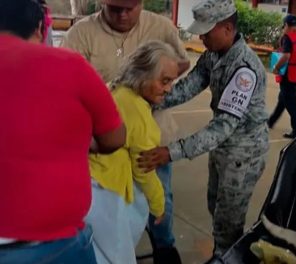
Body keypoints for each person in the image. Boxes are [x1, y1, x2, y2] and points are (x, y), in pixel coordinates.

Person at [138, 0, 269, 259]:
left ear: (228, 29)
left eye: (207, 32)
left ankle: (226, 256)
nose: (201, 37)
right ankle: (222, 252)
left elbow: (223, 126)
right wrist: (150, 98)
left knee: (229, 220)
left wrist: (172, 151)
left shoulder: (244, 69)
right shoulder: (214, 54)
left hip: (243, 152)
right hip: (222, 148)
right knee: (215, 207)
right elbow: (190, 85)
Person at [61, 0, 190, 262]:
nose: (122, 15)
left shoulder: (162, 27)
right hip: (109, 153)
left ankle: (164, 249)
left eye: (129, 8)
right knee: (136, 214)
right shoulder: (81, 33)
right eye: (115, 8)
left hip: (145, 140)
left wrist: (158, 85)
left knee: (144, 205)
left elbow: (181, 64)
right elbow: (65, 83)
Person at [0, 0, 126, 263]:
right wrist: (83, 142)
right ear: (39, 27)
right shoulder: (71, 66)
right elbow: (115, 138)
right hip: (57, 247)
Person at [87, 41, 180, 264]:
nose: (168, 89)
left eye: (171, 82)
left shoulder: (117, 89)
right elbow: (144, 168)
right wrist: (158, 205)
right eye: (164, 81)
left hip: (90, 182)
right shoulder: (136, 110)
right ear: (142, 75)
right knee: (116, 255)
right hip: (107, 191)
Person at [268, 14, 296, 139]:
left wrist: (276, 67)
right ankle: (270, 121)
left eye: (283, 26)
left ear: (286, 25)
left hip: (289, 75)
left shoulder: (287, 37)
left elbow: (286, 56)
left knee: (291, 104)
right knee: (283, 99)